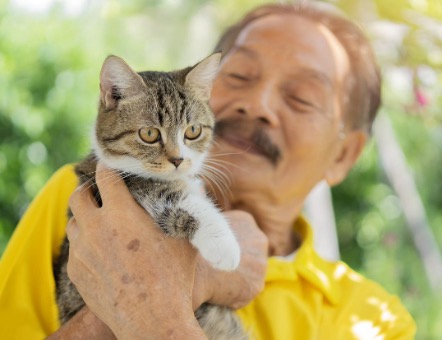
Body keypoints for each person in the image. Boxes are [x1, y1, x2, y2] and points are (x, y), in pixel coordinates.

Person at [0, 2, 416, 339]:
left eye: (301, 97)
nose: (257, 105)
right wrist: (198, 277)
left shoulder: (373, 320)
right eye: (238, 75)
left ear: (344, 155)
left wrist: (161, 313)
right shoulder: (77, 196)